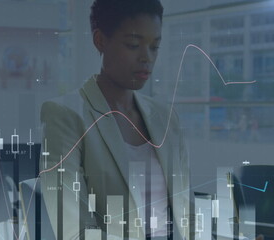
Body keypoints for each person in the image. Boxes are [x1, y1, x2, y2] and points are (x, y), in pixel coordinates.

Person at [39, 0, 192, 239]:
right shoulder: (66, 115)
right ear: (100, 40)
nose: (146, 57)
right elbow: (73, 228)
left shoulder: (166, 118)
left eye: (155, 46)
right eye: (133, 45)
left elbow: (187, 215)